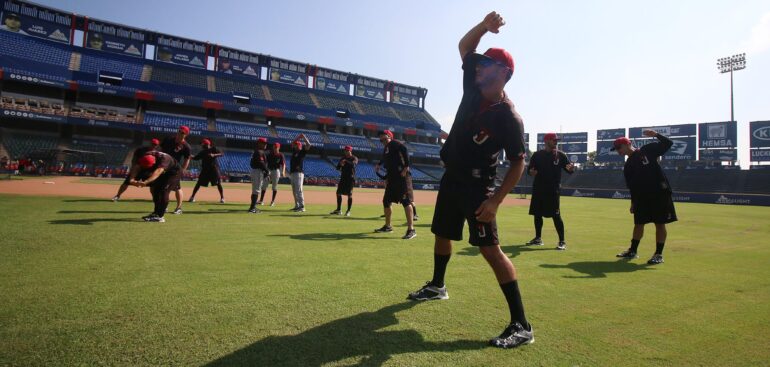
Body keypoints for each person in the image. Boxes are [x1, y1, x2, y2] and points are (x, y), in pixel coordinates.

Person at [406, 11, 534, 349]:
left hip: (479, 187)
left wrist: (494, 202)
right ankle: (437, 286)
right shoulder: (472, 86)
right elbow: (464, 46)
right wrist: (483, 27)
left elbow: (519, 162)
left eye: (485, 64)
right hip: (453, 179)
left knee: (491, 251)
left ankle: (522, 324)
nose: (477, 67)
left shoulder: (508, 118)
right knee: (442, 234)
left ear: (504, 74)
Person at [612, 130, 677, 265]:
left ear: (627, 144)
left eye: (619, 147)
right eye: (616, 149)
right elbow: (632, 187)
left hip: (659, 193)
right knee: (638, 224)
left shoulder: (647, 150)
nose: (618, 151)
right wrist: (633, 202)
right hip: (642, 197)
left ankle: (658, 254)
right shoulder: (628, 165)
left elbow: (668, 143)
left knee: (659, 223)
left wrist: (656, 134)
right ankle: (633, 251)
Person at [526, 133, 575, 250]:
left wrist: (571, 169)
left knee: (556, 216)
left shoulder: (561, 155)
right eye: (554, 140)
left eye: (557, 140)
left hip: (553, 191)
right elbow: (530, 170)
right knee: (537, 214)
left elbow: (569, 170)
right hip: (538, 189)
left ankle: (562, 241)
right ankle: (538, 238)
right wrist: (531, 172)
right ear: (547, 141)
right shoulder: (537, 155)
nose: (556, 142)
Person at [374, 130, 416, 240]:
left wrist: (406, 167)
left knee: (406, 202)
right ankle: (388, 226)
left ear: (390, 137)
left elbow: (405, 150)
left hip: (402, 177)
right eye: (381, 140)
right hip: (392, 178)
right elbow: (384, 159)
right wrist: (379, 164)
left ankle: (411, 229)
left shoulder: (395, 144)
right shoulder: (386, 148)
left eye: (384, 139)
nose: (382, 141)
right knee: (386, 201)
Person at [127, 151, 182, 223]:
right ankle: (156, 213)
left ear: (154, 162)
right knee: (156, 190)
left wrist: (146, 182)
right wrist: (131, 179)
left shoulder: (164, 159)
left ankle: (160, 217)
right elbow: (137, 167)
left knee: (164, 191)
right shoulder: (145, 156)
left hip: (174, 173)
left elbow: (158, 171)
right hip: (164, 172)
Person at [160, 126, 192, 214]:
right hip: (163, 167)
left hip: (174, 169)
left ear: (186, 135)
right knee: (161, 187)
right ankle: (164, 206)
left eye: (182, 133)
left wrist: (182, 170)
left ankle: (178, 208)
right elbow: (161, 150)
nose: (180, 133)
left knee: (177, 188)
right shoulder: (168, 139)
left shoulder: (186, 146)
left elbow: (187, 159)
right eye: (179, 131)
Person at [189, 138, 225, 203]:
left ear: (207, 144)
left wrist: (214, 155)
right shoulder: (203, 152)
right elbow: (196, 158)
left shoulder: (213, 149)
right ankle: (192, 197)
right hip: (205, 170)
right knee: (198, 183)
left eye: (202, 144)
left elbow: (222, 154)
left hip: (214, 169)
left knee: (218, 183)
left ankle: (222, 198)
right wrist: (189, 156)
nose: (201, 145)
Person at [330, 146, 358, 216]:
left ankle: (348, 211)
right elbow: (337, 168)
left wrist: (346, 161)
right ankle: (339, 210)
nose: (346, 152)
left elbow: (353, 164)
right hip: (343, 178)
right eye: (345, 151)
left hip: (350, 178)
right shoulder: (343, 158)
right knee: (338, 193)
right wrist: (340, 164)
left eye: (347, 151)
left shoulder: (354, 158)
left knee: (349, 195)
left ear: (350, 151)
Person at [289, 134, 311, 212]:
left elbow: (309, 145)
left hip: (298, 173)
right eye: (295, 145)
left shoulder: (302, 152)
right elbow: (292, 143)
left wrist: (303, 137)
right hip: (293, 173)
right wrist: (298, 137)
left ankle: (302, 206)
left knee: (299, 190)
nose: (295, 146)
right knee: (294, 191)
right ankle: (297, 205)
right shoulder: (294, 152)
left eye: (297, 145)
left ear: (300, 146)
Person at [260, 142, 286, 206]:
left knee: (274, 187)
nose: (274, 148)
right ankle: (261, 200)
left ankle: (272, 201)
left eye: (276, 147)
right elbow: (265, 162)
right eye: (274, 147)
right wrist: (265, 170)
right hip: (269, 170)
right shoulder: (270, 154)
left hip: (276, 171)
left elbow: (283, 164)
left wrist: (283, 171)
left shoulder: (281, 155)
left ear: (279, 148)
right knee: (264, 185)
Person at [248, 138, 269, 213]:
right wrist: (266, 171)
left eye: (265, 143)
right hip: (257, 171)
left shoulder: (257, 151)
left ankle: (253, 207)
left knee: (255, 190)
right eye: (264, 143)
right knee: (256, 190)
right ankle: (252, 208)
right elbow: (261, 163)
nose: (265, 144)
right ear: (259, 143)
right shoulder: (259, 152)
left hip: (256, 171)